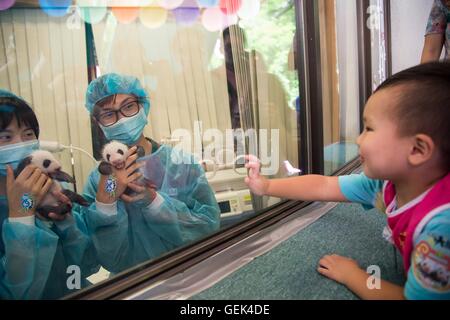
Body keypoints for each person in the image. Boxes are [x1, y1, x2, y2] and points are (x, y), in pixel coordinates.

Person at [244, 62, 450, 300]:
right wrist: (267, 186)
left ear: (417, 149)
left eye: (369, 128)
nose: (358, 139)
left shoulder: (440, 230)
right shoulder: (384, 185)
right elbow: (324, 185)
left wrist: (352, 275)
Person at [81, 73, 220, 274]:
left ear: (143, 107)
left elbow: (207, 228)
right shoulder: (99, 180)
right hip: (132, 286)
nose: (121, 119)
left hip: (191, 276)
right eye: (109, 114)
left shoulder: (181, 164)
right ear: (98, 123)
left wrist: (154, 201)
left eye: (128, 106)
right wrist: (108, 197)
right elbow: (103, 257)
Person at [0, 90, 99, 299]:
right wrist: (21, 214)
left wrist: (65, 223)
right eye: (5, 137)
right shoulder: (25, 199)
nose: (21, 144)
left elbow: (86, 264)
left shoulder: (48, 189)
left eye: (28, 134)